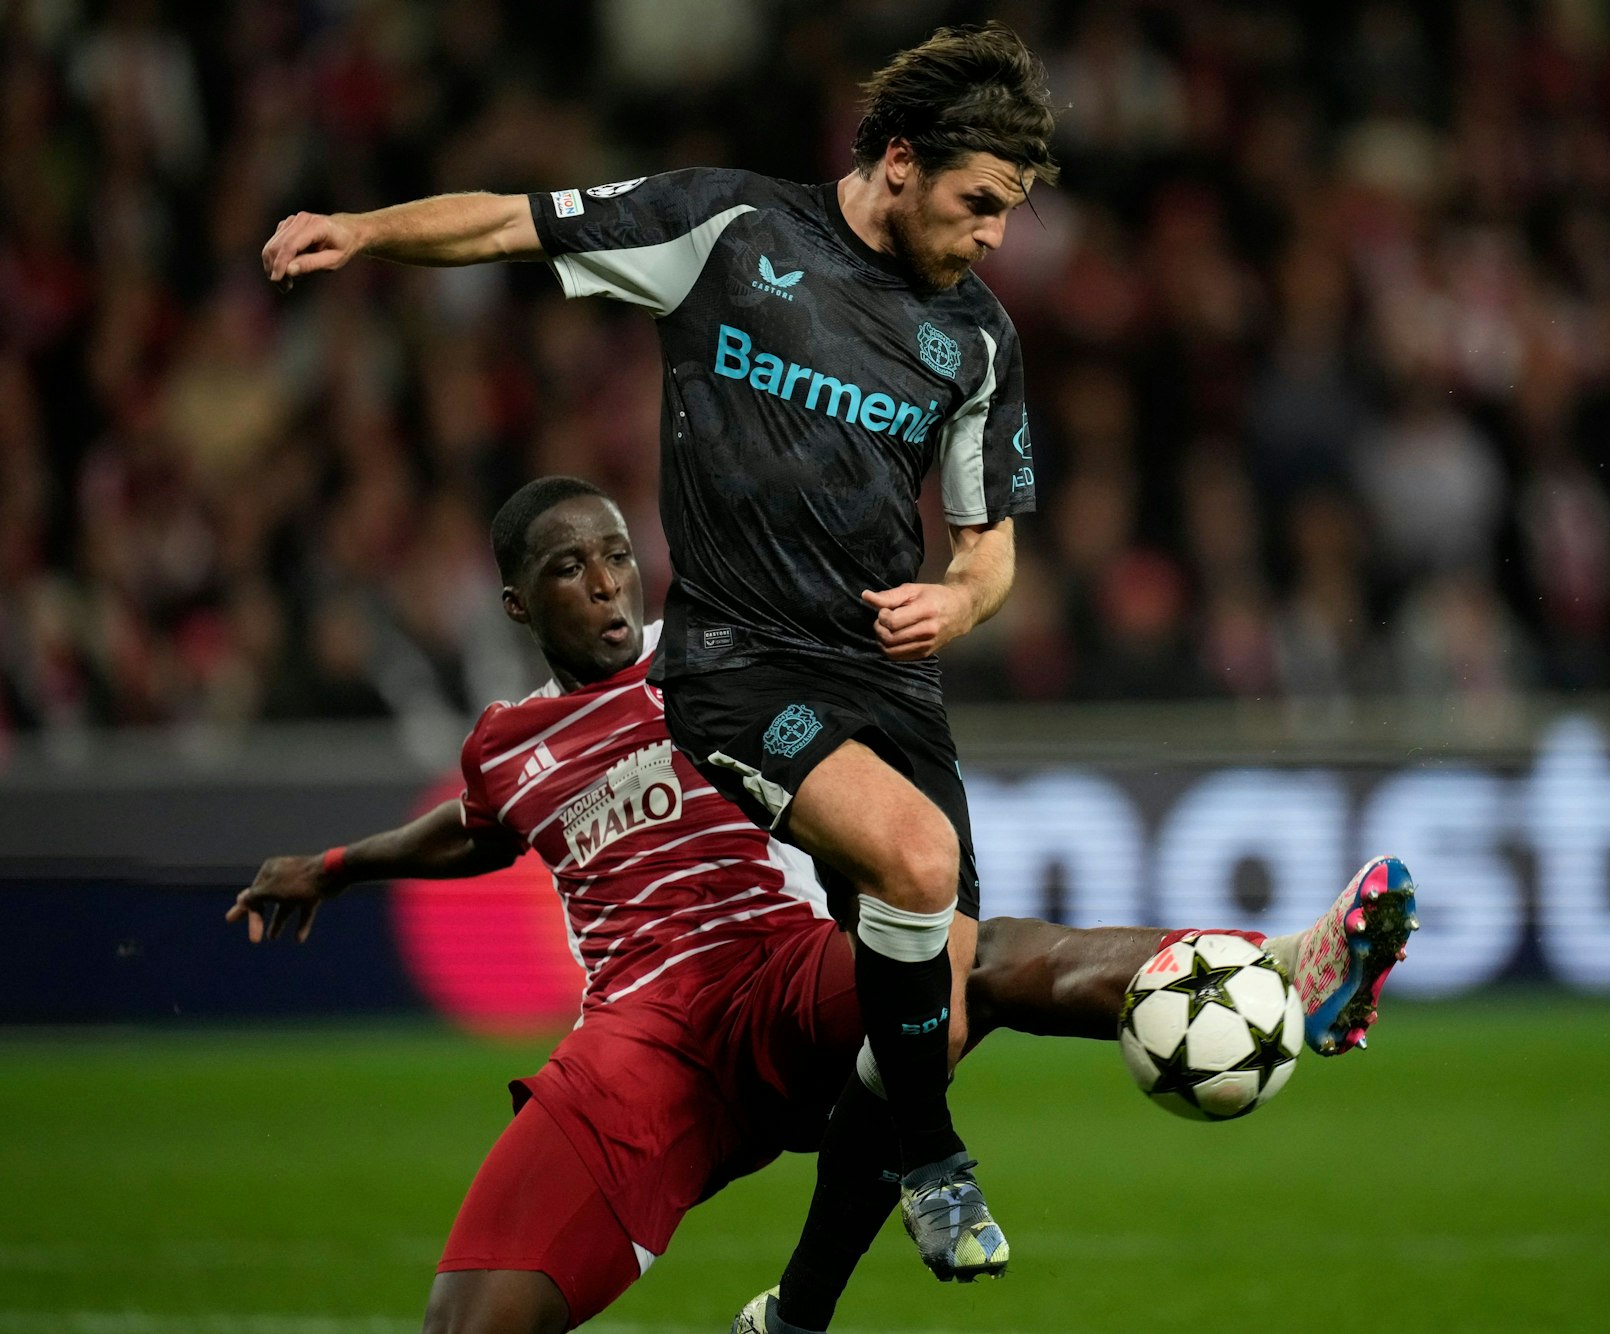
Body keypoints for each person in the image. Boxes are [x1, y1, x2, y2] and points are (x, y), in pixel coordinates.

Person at [260, 22, 1061, 1299]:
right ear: (899, 162)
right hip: (740, 667)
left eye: (1008, 213)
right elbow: (512, 223)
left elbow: (990, 552)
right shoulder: (724, 230)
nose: (994, 238)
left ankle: (799, 1305)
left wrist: (955, 608)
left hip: (885, 682)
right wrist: (365, 229)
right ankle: (936, 1153)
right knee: (923, 877)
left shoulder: (974, 340)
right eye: (979, 204)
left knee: (937, 998)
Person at [228, 477, 1418, 1334]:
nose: (601, 582)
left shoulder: (709, 651)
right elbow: (475, 826)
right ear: (514, 604)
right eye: (565, 568)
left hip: (774, 969)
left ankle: (1282, 967)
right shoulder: (504, 742)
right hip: (636, 1040)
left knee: (964, 952)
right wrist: (337, 866)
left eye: (613, 556)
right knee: (467, 1319)